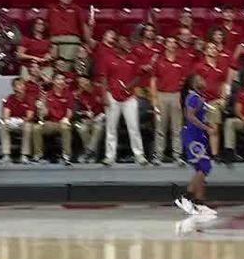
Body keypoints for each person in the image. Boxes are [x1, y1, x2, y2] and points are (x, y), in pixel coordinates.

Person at [175, 74, 218, 219]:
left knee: (201, 169)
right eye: (199, 79)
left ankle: (199, 203)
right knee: (205, 166)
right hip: (193, 136)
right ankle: (185, 197)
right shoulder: (193, 97)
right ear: (193, 84)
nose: (203, 81)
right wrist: (207, 128)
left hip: (198, 136)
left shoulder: (199, 97)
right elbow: (190, 116)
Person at [99, 41, 147, 166]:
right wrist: (104, 96)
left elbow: (138, 76)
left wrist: (129, 87)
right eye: (123, 42)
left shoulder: (133, 58)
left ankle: (139, 154)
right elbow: (104, 78)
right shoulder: (108, 58)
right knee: (111, 127)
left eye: (127, 42)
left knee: (133, 126)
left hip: (129, 97)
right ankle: (109, 156)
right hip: (112, 96)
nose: (127, 44)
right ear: (118, 45)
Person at [149, 37, 187, 166]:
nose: (172, 44)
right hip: (161, 95)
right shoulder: (159, 61)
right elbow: (153, 80)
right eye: (169, 42)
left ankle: (178, 155)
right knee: (160, 126)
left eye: (174, 42)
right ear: (165, 45)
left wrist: (178, 93)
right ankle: (158, 155)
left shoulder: (181, 61)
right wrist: (154, 98)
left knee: (177, 127)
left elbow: (183, 80)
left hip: (175, 95)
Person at [194, 40, 234, 157]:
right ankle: (209, 153)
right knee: (209, 125)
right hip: (203, 100)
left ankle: (215, 154)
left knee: (214, 125)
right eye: (210, 48)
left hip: (216, 100)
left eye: (215, 48)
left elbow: (224, 84)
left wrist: (223, 97)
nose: (213, 50)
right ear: (205, 51)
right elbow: (195, 84)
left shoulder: (221, 67)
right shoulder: (199, 66)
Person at [35, 72, 74, 165]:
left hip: (62, 122)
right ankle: (38, 155)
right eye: (58, 79)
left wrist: (66, 119)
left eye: (63, 80)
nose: (61, 81)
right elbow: (44, 114)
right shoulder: (47, 95)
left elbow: (69, 111)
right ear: (53, 81)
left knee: (65, 127)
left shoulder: (68, 94)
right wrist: (41, 108)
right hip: (50, 123)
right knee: (36, 128)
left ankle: (66, 156)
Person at [47, 0, 90, 73]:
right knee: (52, 65)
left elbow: (83, 26)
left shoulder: (76, 9)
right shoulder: (52, 9)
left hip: (70, 40)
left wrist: (87, 42)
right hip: (54, 40)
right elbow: (47, 25)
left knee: (66, 67)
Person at [0, 78, 37, 164]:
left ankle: (24, 155)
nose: (21, 86)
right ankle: (6, 155)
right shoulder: (10, 98)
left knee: (27, 127)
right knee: (4, 126)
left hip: (24, 123)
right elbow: (6, 114)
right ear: (14, 87)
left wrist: (20, 121)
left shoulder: (29, 98)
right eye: (18, 84)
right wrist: (9, 121)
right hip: (13, 123)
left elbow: (29, 116)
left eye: (22, 84)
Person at [72, 76, 105, 163]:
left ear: (89, 81)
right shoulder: (79, 95)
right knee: (82, 129)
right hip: (86, 120)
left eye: (84, 81)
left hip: (100, 119)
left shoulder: (99, 91)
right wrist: (84, 115)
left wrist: (99, 117)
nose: (83, 84)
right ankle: (92, 153)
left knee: (98, 128)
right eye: (80, 83)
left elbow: (106, 107)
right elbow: (76, 111)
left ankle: (88, 152)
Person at [18, 18, 55, 84]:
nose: (41, 26)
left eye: (43, 24)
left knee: (47, 82)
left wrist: (49, 55)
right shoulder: (27, 39)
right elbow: (19, 55)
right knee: (26, 83)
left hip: (44, 66)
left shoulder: (47, 40)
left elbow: (52, 54)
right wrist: (34, 58)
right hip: (29, 66)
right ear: (34, 25)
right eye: (39, 24)